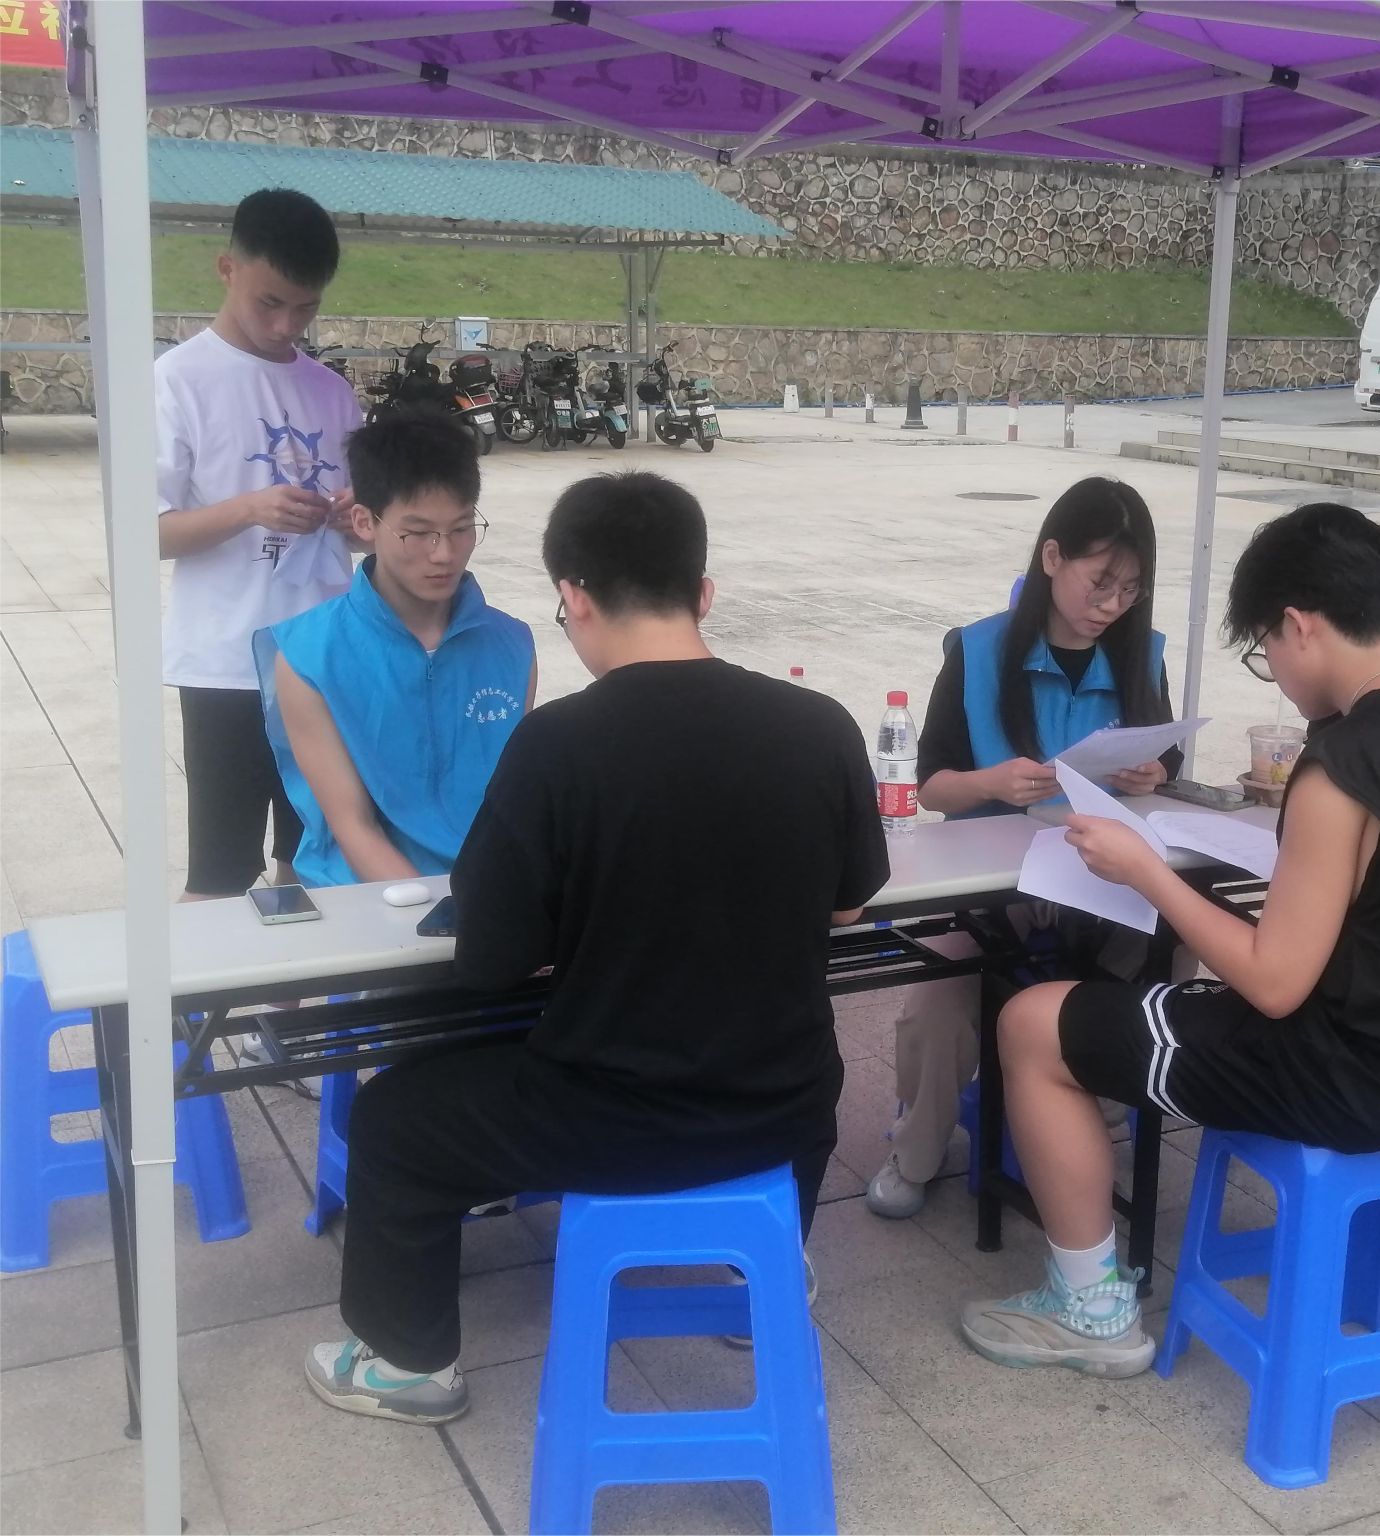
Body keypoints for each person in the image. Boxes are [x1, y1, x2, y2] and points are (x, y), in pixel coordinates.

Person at [304, 473, 889, 1423]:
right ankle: (768, 1272)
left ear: (572, 596)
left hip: (613, 1121)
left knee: (396, 1116)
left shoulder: (557, 745)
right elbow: (850, 906)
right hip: (784, 1111)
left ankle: (408, 1366)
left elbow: (492, 961)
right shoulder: (820, 726)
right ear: (704, 592)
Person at [958, 503, 1380, 1377]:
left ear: (1299, 624)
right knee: (1180, 987)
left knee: (1031, 1022)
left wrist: (1146, 872)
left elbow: (1275, 985)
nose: (1274, 671)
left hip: (1366, 1082)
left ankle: (1089, 1310)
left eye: (1266, 650)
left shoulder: (1348, 761)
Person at [866, 477, 1184, 1219]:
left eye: (1130, 590)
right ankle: (916, 1149)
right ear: (1051, 557)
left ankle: (1101, 1100)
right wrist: (991, 782)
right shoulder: (979, 650)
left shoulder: (1143, 655)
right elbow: (930, 787)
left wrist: (1156, 771)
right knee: (939, 1001)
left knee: (1174, 949)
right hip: (992, 886)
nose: (1112, 605)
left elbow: (1164, 757)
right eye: (1100, 582)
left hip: (1099, 878)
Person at [156, 188, 362, 900]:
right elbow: (145, 532)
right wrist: (250, 509)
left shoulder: (331, 392)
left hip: (324, 659)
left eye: (305, 308)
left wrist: (355, 518)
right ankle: (192, 984)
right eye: (270, 302)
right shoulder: (177, 381)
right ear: (227, 268)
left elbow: (365, 528)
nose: (286, 325)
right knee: (219, 874)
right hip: (226, 667)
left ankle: (297, 980)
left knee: (313, 868)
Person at [255, 410, 534, 889]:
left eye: (461, 528)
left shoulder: (512, 643)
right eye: (417, 532)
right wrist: (445, 914)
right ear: (364, 522)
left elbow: (510, 805)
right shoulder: (307, 655)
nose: (444, 553)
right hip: (365, 897)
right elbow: (353, 827)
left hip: (486, 892)